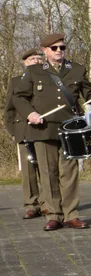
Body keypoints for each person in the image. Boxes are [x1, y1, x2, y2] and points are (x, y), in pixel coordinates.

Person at [13, 33, 91, 230]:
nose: (59, 51)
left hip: (70, 129)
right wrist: (30, 114)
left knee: (69, 173)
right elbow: (19, 98)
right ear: (45, 51)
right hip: (43, 128)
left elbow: (90, 94)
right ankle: (53, 215)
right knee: (48, 173)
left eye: (62, 48)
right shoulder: (34, 71)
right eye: (55, 48)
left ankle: (71, 214)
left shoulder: (77, 70)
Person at [4, 48, 44, 219]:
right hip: (23, 129)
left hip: (44, 127)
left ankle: (47, 203)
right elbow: (9, 109)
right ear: (25, 62)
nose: (35, 61)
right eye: (31, 59)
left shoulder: (48, 79)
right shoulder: (15, 82)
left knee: (47, 168)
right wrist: (13, 131)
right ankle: (31, 204)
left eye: (38, 59)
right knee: (28, 170)